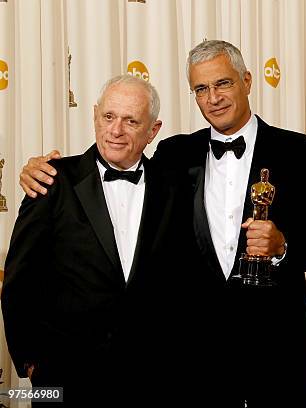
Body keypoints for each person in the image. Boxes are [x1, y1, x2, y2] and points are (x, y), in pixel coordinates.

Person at [17, 40, 306, 407]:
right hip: (193, 359)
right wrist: (37, 168)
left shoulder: (299, 152)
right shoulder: (173, 156)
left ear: (246, 80)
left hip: (275, 347)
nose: (213, 97)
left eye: (223, 83)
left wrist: (282, 247)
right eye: (201, 88)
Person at [1, 75, 197, 405]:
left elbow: (184, 280)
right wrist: (31, 360)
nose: (115, 131)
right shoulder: (52, 180)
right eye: (108, 117)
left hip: (153, 379)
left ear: (153, 130)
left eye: (131, 121)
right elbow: (20, 276)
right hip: (65, 374)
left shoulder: (175, 188)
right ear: (94, 115)